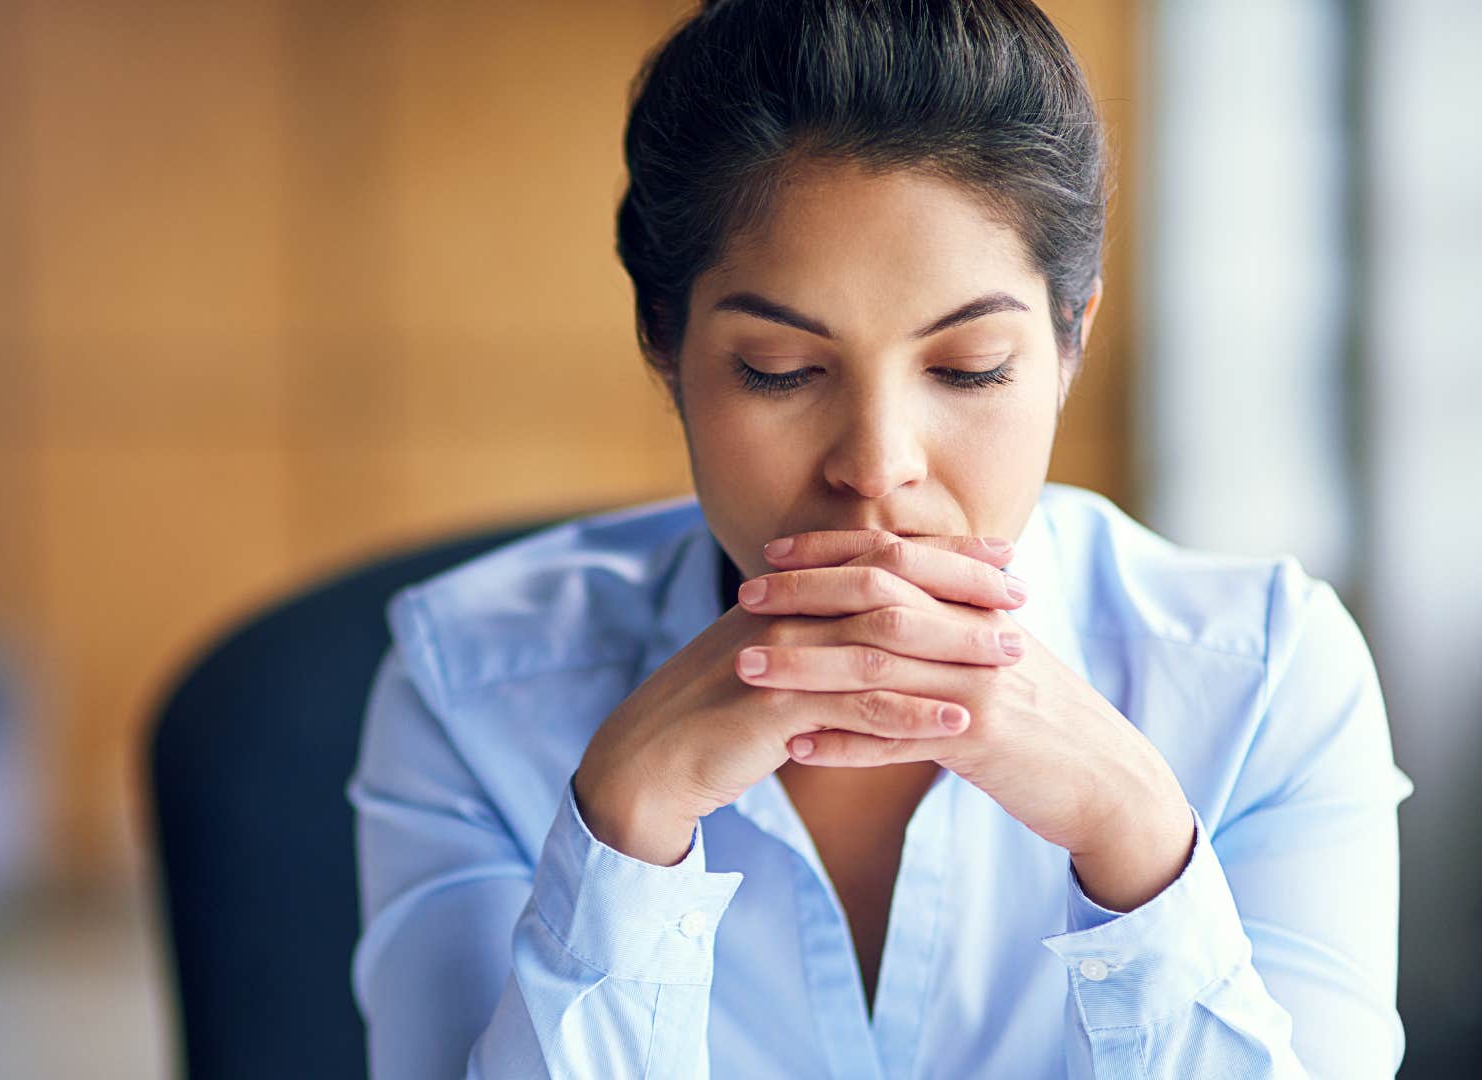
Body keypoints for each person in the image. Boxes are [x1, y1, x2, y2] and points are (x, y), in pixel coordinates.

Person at [346, 1, 1413, 1076]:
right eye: (778, 371)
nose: (876, 463)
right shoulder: (469, 688)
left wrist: (1136, 841)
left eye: (969, 368)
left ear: (1068, 343)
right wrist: (622, 836)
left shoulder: (1263, 681)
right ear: (665, 346)